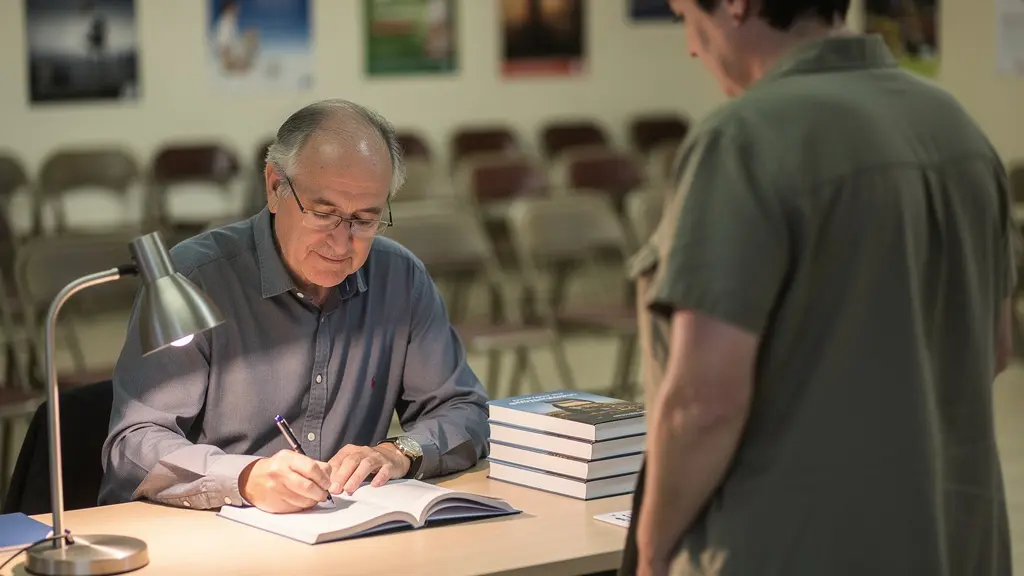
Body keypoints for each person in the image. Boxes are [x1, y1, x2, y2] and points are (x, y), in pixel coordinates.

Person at [621, 1, 1017, 575]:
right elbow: (994, 346)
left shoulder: (743, 139)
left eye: (685, 16)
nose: (689, 46)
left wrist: (651, 552)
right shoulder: (958, 128)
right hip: (950, 543)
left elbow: (704, 404)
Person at [100, 99, 490, 513]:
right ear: (274, 187)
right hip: (210, 533)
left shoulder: (399, 278)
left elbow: (464, 410)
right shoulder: (194, 279)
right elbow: (134, 443)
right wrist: (245, 479)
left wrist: (401, 451)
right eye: (323, 214)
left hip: (343, 532)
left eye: (363, 220)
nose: (341, 244)